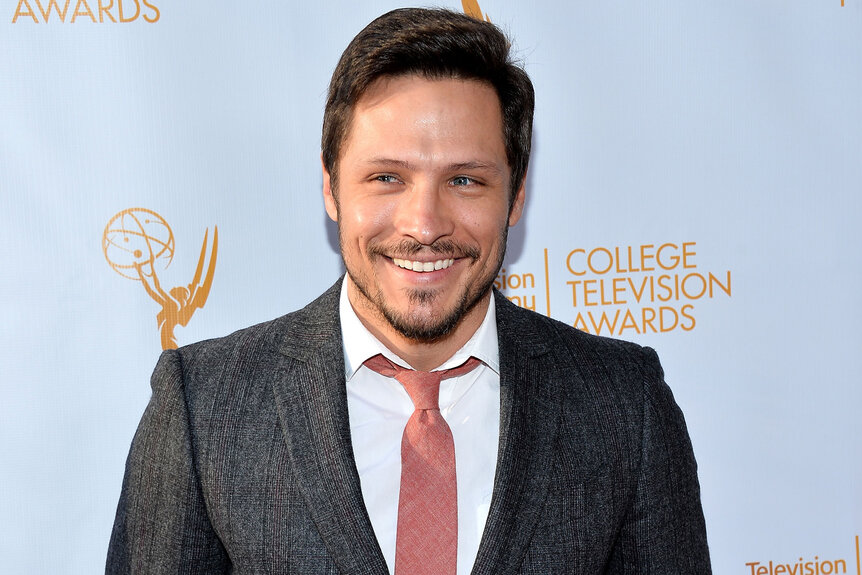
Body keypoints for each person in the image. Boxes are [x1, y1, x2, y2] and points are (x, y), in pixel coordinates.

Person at [106, 7, 711, 574]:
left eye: (466, 179)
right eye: (387, 177)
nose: (425, 225)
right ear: (330, 186)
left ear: (517, 195)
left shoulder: (622, 405)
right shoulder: (205, 405)